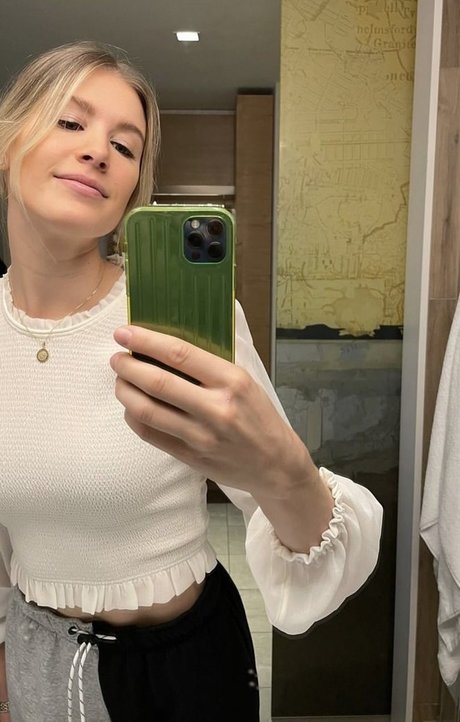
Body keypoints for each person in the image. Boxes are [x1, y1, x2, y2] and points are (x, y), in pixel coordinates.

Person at [0, 41, 383, 722]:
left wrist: (281, 465)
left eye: (126, 146)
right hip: (39, 661)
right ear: (8, 140)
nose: (98, 151)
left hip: (185, 668)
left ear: (133, 189)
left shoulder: (174, 322)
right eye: (71, 121)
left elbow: (299, 532)